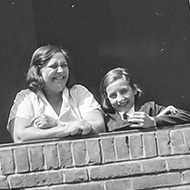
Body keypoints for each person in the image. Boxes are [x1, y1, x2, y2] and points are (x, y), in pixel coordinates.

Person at [7, 45, 105, 143]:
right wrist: (68, 129)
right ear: (39, 71)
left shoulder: (79, 92)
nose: (61, 70)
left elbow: (99, 126)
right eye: (53, 66)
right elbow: (19, 136)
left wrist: (57, 124)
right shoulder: (26, 98)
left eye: (64, 65)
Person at [100, 67, 190, 132]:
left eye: (124, 91)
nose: (120, 99)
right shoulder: (108, 119)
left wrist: (153, 121)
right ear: (107, 99)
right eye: (113, 96)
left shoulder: (150, 108)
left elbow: (185, 116)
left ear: (134, 90)